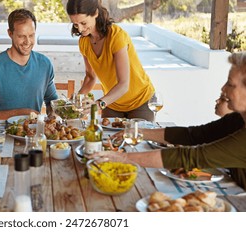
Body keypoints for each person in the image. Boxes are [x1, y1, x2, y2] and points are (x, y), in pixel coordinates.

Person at [90, 51, 246, 190]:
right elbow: (193, 135)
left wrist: (123, 158)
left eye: (231, 84)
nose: (223, 89)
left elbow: (192, 156)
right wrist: (140, 133)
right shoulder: (238, 119)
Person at [66, 0, 155, 121]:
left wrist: (98, 104)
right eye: (75, 24)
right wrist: (76, 100)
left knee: (138, 139)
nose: (79, 29)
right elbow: (90, 77)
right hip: (112, 103)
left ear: (95, 13)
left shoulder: (116, 36)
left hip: (140, 101)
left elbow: (124, 84)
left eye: (83, 23)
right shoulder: (84, 42)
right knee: (106, 140)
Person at [0, 8, 58, 119]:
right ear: (10, 33)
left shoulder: (44, 64)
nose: (27, 42)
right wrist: (22, 113)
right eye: (21, 36)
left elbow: (52, 101)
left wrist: (53, 113)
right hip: (1, 133)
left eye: (31, 35)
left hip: (34, 133)